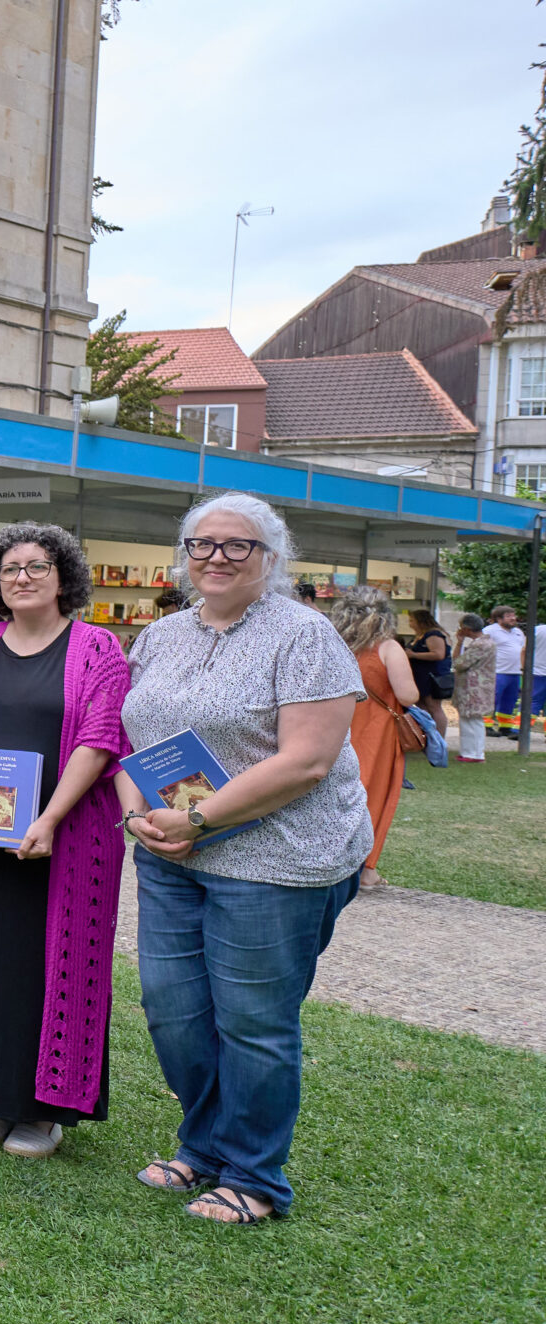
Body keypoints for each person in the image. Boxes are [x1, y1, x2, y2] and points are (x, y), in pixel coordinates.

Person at [117, 492, 370, 1225]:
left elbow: (308, 761)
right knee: (172, 1009)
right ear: (185, 554)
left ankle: (255, 1176)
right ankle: (202, 1145)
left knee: (253, 1020)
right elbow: (134, 733)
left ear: (271, 558)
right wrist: (140, 813)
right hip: (173, 851)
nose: (218, 557)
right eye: (204, 543)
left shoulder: (304, 634)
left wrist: (197, 817)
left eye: (239, 545)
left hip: (277, 858)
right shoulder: (162, 635)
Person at [0, 523, 131, 1161]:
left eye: (37, 566)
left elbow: (100, 741)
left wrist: (49, 818)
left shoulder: (97, 649)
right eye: (11, 567)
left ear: (64, 576)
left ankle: (43, 1111)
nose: (22, 577)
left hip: (65, 839)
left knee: (51, 962)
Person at [332, 588, 419, 890]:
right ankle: (365, 868)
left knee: (334, 795)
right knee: (373, 794)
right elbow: (408, 694)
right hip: (376, 732)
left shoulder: (333, 643)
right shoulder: (387, 647)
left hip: (335, 727)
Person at [480, 605, 538, 733]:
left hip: (515, 672)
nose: (513, 618)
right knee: (492, 698)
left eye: (513, 615)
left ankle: (505, 726)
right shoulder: (490, 631)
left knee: (510, 700)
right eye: (509, 616)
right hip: (497, 671)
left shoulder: (517, 632)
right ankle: (486, 725)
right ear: (499, 619)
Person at [453, 615, 496, 762]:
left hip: (473, 687)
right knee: (470, 719)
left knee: (471, 719)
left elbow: (459, 663)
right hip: (478, 685)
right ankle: (470, 751)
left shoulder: (479, 645)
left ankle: (474, 753)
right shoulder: (487, 642)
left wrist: (459, 644)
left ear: (467, 629)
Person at [403, 606, 452, 734]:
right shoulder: (420, 635)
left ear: (421, 621)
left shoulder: (433, 634)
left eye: (412, 621)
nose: (410, 624)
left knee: (434, 706)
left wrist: (414, 655)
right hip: (420, 676)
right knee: (422, 706)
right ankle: (426, 735)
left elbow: (438, 654)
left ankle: (439, 737)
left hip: (432, 677)